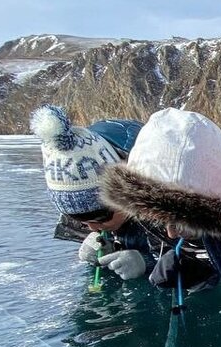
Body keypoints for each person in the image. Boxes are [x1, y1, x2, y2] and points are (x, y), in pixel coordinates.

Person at [100, 107, 221, 289]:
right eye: (160, 220)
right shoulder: (152, 215)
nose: (170, 233)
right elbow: (158, 246)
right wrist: (148, 262)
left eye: (181, 222)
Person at [30, 105, 157, 282]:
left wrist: (149, 263)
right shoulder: (80, 202)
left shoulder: (170, 210)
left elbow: (202, 258)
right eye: (79, 219)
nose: (92, 228)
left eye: (99, 216)